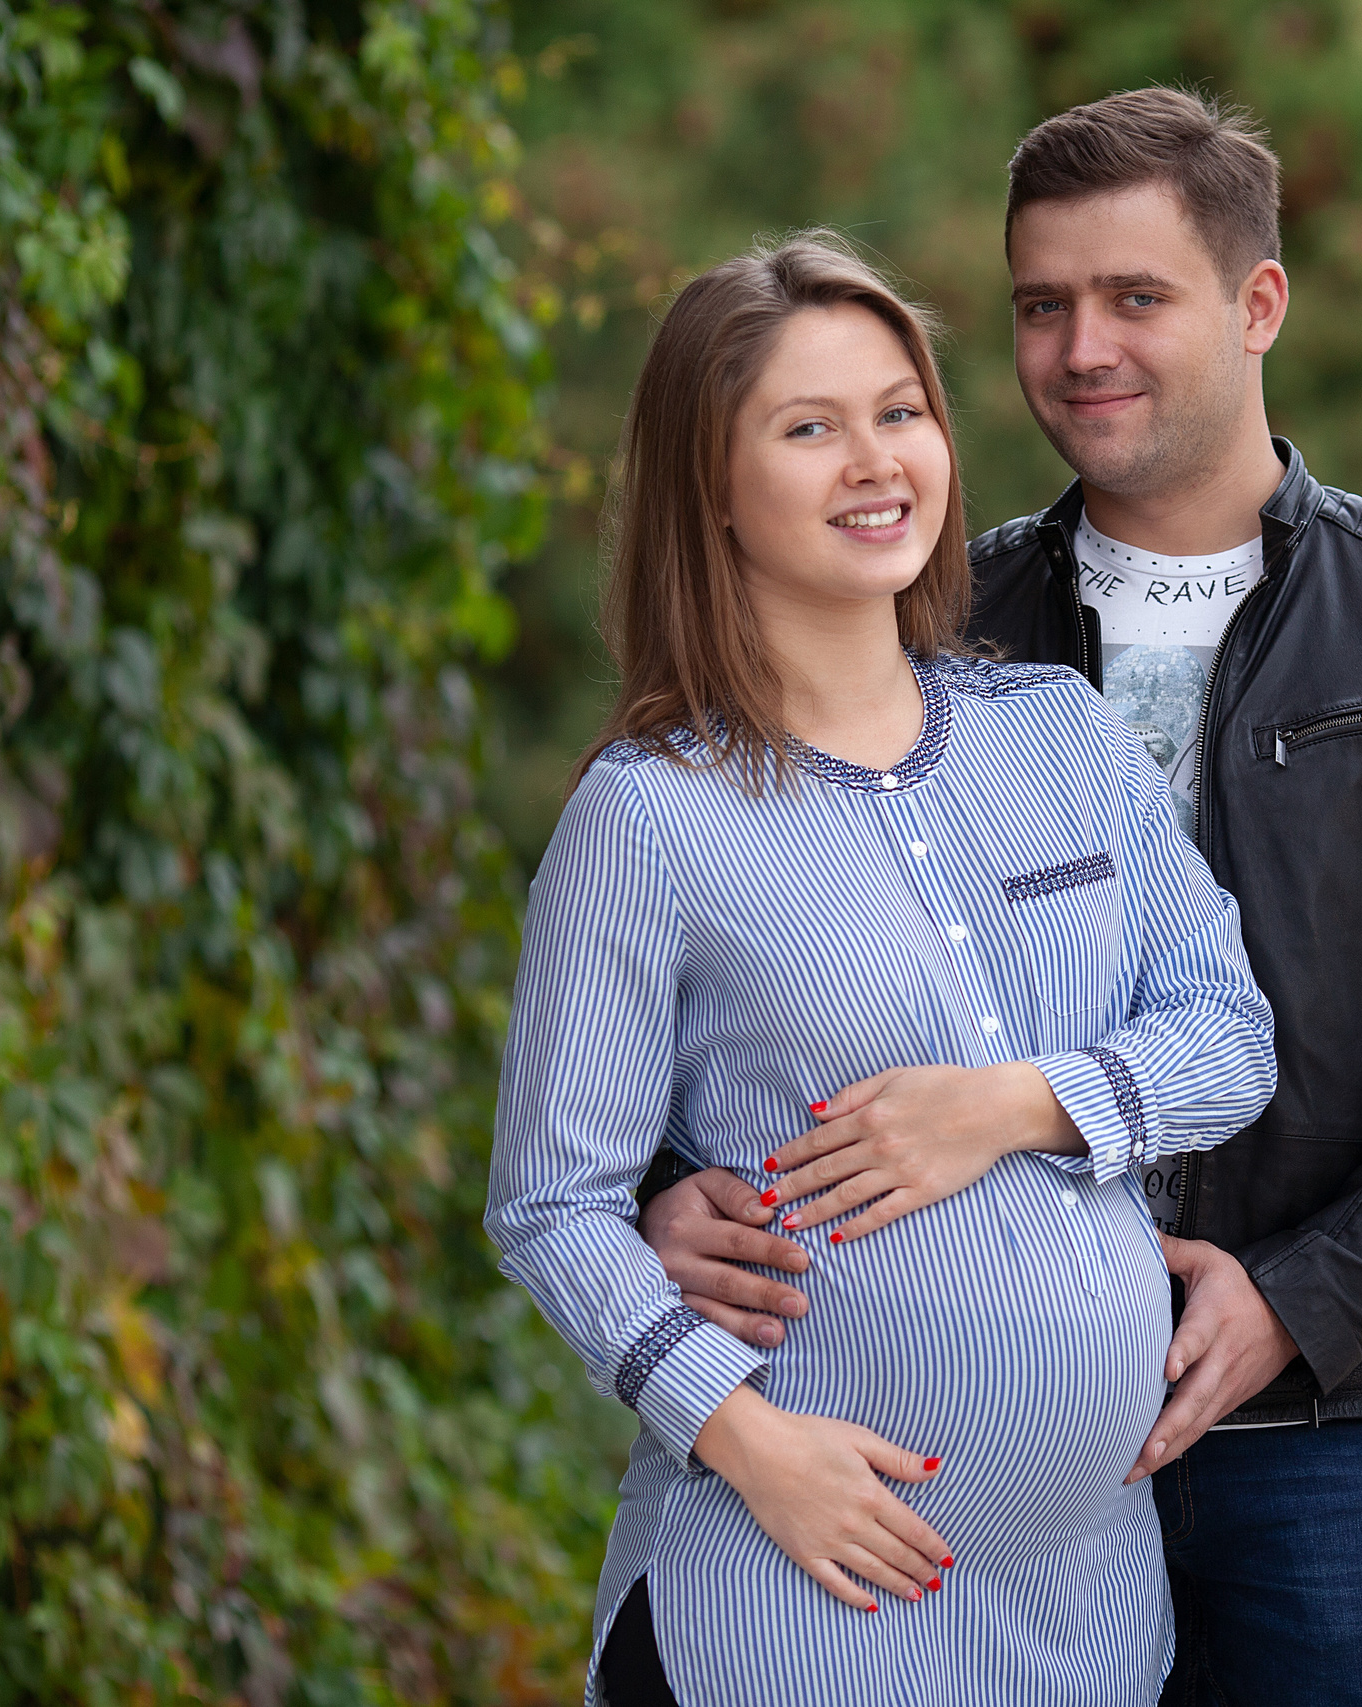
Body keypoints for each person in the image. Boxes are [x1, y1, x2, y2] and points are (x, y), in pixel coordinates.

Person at [640, 91, 1362, 1706]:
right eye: (1043, 304)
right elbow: (724, 936)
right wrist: (671, 1192)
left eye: (1134, 299)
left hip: (1333, 1429)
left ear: (1258, 308)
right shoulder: (934, 623)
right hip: (956, 1434)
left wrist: (1305, 1302)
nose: (1080, 346)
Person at [483, 234, 1277, 1707]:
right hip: (788, 1608)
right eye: (809, 427)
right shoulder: (649, 816)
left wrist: (1022, 1102)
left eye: (899, 410)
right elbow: (552, 1207)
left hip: (1086, 1616)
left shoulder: (1063, 737)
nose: (875, 461)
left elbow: (1228, 1031)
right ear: (710, 489)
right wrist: (749, 1444)